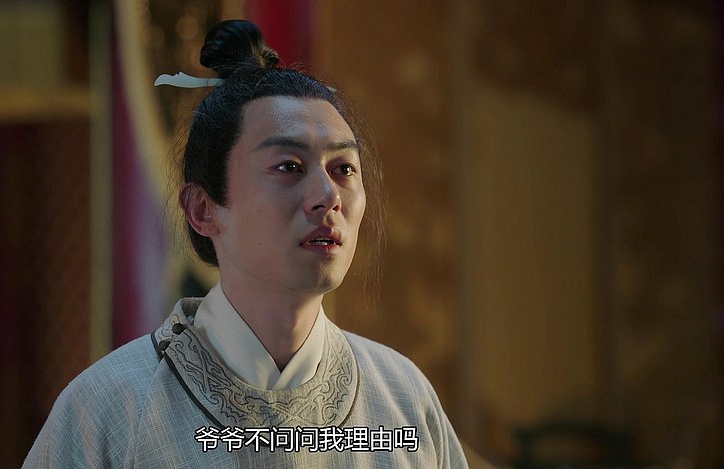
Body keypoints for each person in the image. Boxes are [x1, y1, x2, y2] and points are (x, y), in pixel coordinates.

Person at [24, 19, 468, 468]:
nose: (328, 196)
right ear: (203, 209)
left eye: (343, 169)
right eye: (289, 166)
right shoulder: (111, 409)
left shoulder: (401, 398)